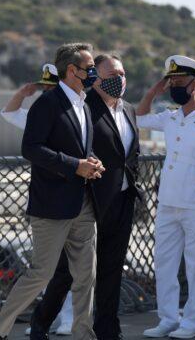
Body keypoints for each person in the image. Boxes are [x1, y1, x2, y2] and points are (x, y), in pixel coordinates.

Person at [0, 43, 103, 340]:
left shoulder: (84, 104)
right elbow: (31, 148)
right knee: (41, 274)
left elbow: (79, 147)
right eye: (89, 67)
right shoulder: (47, 104)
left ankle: (83, 334)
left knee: (86, 275)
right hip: (52, 206)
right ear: (72, 70)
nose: (94, 73)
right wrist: (75, 165)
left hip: (83, 203)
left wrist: (92, 161)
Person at [29, 54, 141, 340]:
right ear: (97, 79)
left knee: (112, 270)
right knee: (68, 272)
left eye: (123, 73)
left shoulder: (128, 109)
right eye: (112, 74)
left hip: (122, 201)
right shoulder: (85, 107)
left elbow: (131, 154)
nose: (120, 79)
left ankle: (107, 330)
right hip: (90, 203)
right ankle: (40, 322)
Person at [137, 55, 195, 339]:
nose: (176, 86)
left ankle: (192, 324)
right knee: (163, 263)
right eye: (172, 81)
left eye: (180, 81)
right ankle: (167, 318)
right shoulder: (170, 117)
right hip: (168, 202)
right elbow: (139, 117)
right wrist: (155, 91)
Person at [0, 63, 74, 338]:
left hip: (72, 196)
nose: (46, 93)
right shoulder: (39, 115)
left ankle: (68, 319)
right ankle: (45, 319)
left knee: (72, 266)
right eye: (43, 88)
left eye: (49, 88)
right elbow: (8, 113)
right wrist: (23, 93)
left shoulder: (76, 113)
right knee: (47, 266)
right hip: (47, 198)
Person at [1, 63, 59, 128]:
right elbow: (10, 113)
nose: (47, 93)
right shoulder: (41, 116)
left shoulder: (70, 114)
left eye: (52, 87)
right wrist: (21, 94)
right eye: (45, 87)